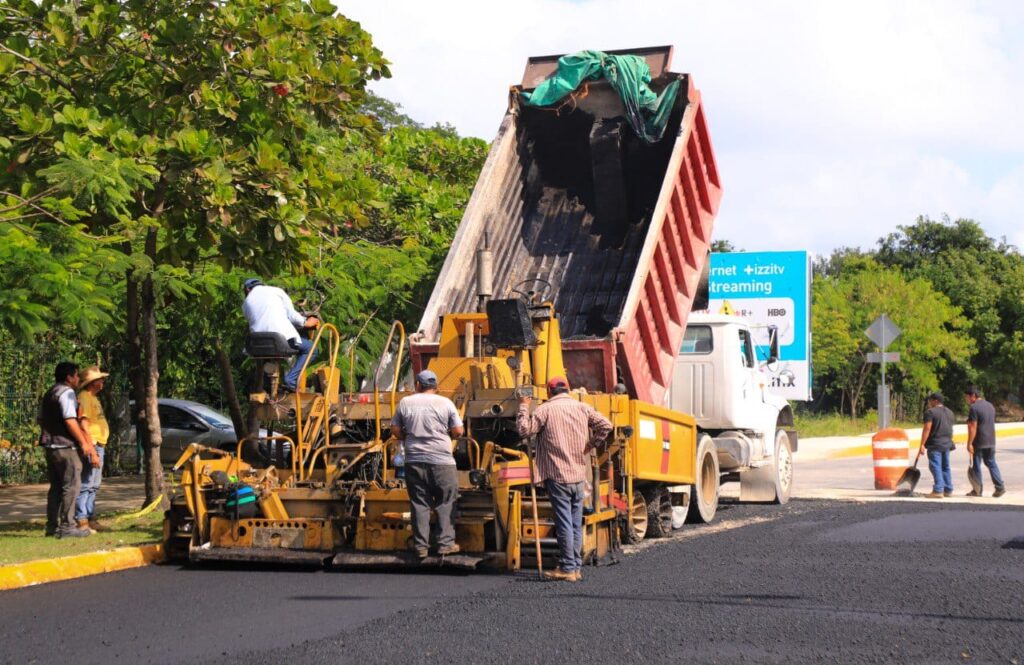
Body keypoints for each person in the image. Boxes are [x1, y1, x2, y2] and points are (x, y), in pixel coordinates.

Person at [517, 376, 612, 581]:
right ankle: (575, 567)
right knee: (575, 523)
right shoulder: (581, 407)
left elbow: (524, 430)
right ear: (567, 389)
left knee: (564, 524)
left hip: (557, 476)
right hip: (578, 476)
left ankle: (568, 568)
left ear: (549, 392)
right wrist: (591, 445)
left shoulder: (545, 410)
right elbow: (606, 425)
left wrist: (523, 407)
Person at [390, 370, 464, 558]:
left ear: (418, 385)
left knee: (419, 503)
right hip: (442, 461)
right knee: (445, 501)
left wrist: (408, 438)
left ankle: (421, 546)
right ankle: (445, 545)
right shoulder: (446, 403)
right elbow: (457, 431)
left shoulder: (406, 402)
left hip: (414, 460)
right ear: (436, 386)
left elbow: (396, 430)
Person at [38, 361, 98, 538]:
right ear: (69, 377)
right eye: (76, 375)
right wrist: (84, 443)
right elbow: (70, 420)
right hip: (66, 447)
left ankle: (52, 526)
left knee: (56, 487)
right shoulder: (67, 393)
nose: (78, 379)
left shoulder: (50, 393)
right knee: (71, 486)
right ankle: (68, 526)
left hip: (51, 446)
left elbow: (40, 419)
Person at [241, 278, 320, 392]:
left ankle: (267, 385)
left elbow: (261, 319)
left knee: (266, 354)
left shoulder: (245, 303)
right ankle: (291, 381)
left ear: (247, 290)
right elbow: (292, 316)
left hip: (255, 344)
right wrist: (306, 322)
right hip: (279, 340)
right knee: (311, 349)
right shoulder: (277, 291)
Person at [75, 365, 110, 532]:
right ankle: (81, 519)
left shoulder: (94, 398)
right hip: (93, 444)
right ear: (92, 382)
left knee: (94, 484)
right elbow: (84, 424)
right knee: (87, 483)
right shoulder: (84, 398)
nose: (102, 382)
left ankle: (90, 516)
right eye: (99, 379)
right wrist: (91, 449)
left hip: (99, 444)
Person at [965, 386, 1006, 498]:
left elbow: (973, 427)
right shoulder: (990, 406)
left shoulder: (974, 408)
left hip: (979, 441)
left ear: (973, 396)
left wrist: (969, 443)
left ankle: (977, 490)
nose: (966, 400)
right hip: (991, 440)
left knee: (976, 465)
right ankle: (1000, 487)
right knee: (991, 463)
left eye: (967, 397)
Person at [918, 391, 955, 499]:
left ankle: (938, 490)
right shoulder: (950, 412)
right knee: (945, 467)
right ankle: (948, 489)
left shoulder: (930, 412)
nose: (929, 403)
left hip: (935, 444)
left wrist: (922, 444)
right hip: (947, 443)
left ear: (935, 401)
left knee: (935, 466)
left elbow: (927, 428)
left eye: (930, 401)